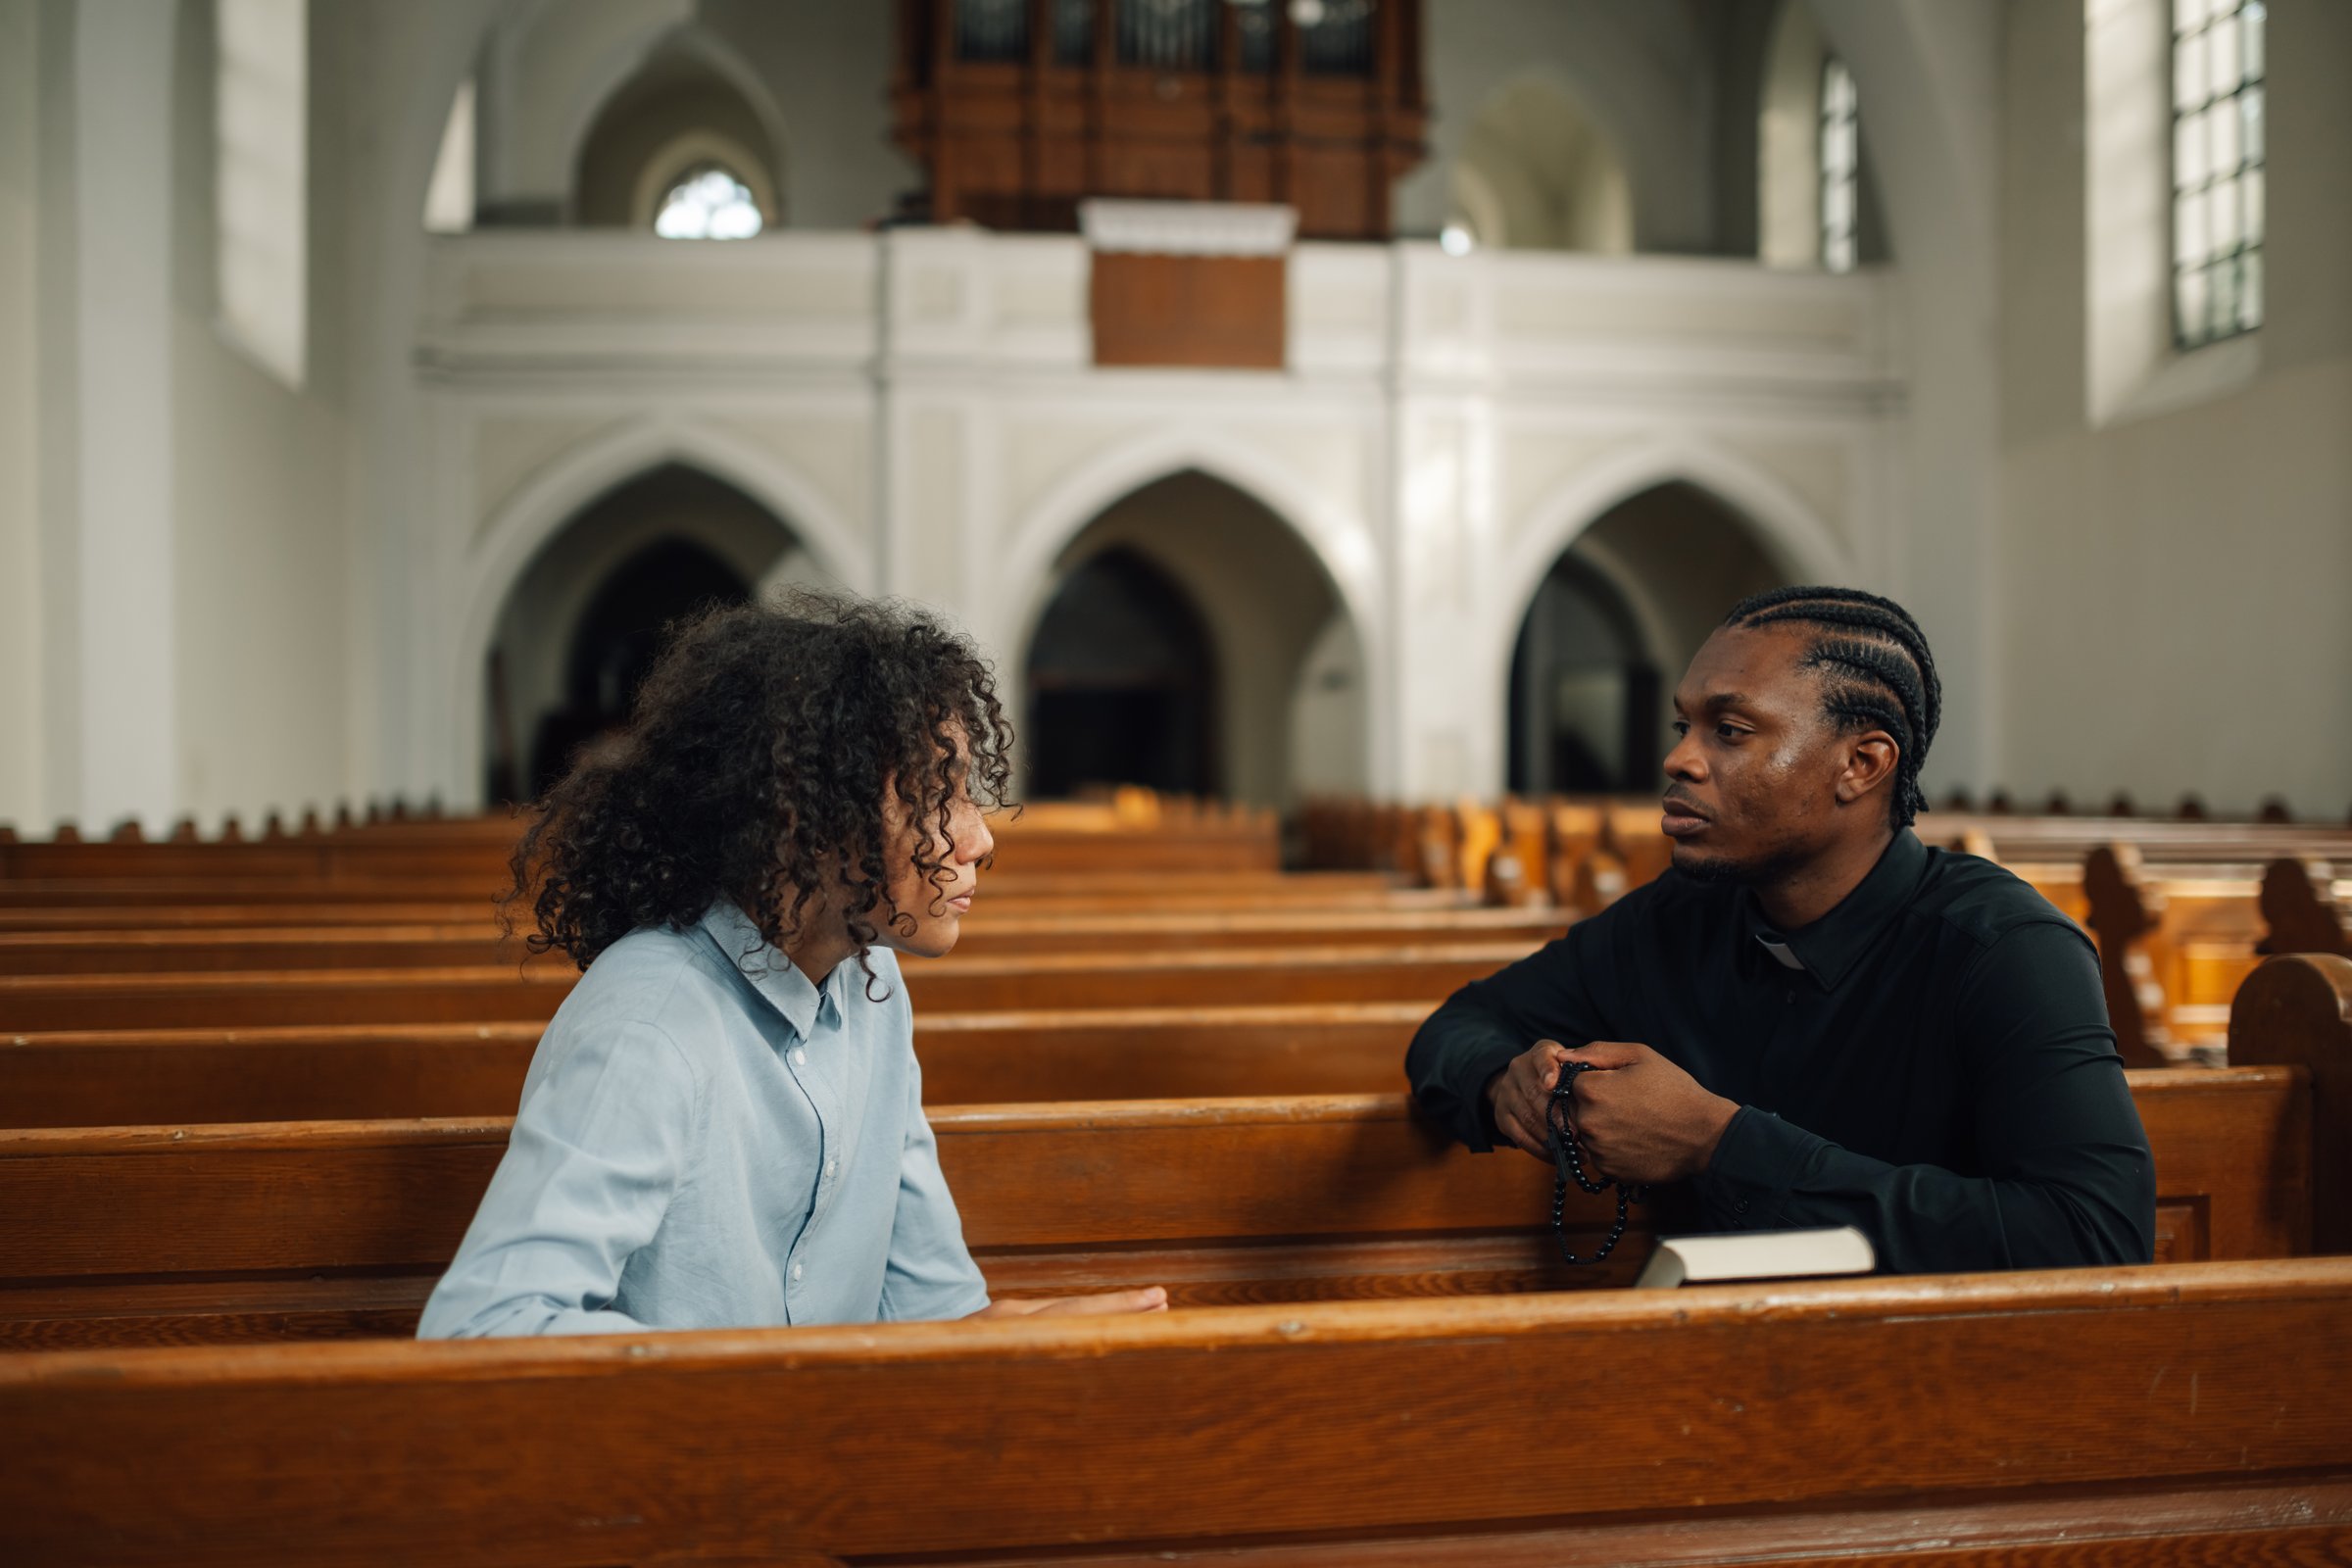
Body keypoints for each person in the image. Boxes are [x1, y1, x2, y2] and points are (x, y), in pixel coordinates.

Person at [419, 591, 1166, 1336]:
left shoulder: (873, 991)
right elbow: (484, 1326)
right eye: (939, 796)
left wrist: (1005, 1331)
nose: (980, 838)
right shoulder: (648, 1028)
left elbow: (931, 1311)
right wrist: (770, 1389)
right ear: (808, 820)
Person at [1405, 585, 2156, 1273]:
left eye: (1729, 730)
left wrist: (1717, 1144)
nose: (1678, 758)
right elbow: (1464, 1021)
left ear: (1861, 764)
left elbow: (2095, 1234)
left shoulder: (2006, 952)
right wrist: (1507, 1085)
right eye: (1683, 724)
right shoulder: (1681, 916)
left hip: (1945, 1382)